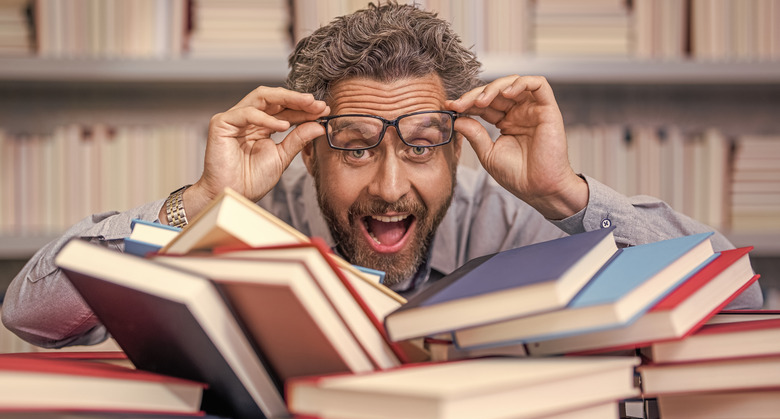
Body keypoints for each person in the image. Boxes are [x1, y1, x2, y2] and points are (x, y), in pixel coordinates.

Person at [2, 2, 762, 348]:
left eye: (424, 144)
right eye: (358, 146)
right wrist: (197, 204)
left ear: (459, 148)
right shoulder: (239, 227)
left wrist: (566, 194)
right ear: (309, 150)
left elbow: (737, 303)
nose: (392, 186)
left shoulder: (526, 220)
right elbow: (33, 318)